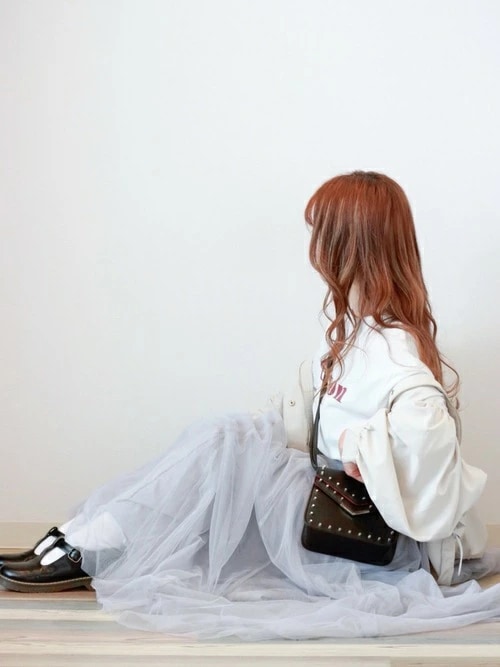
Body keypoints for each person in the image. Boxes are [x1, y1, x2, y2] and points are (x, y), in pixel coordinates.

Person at [1, 171, 500, 640]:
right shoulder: (354, 336)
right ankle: (87, 539)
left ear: (352, 245)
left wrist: (362, 447)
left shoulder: (396, 350)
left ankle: (88, 545)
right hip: (322, 515)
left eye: (322, 233)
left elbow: (430, 452)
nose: (314, 248)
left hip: (360, 540)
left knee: (228, 438)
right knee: (231, 439)